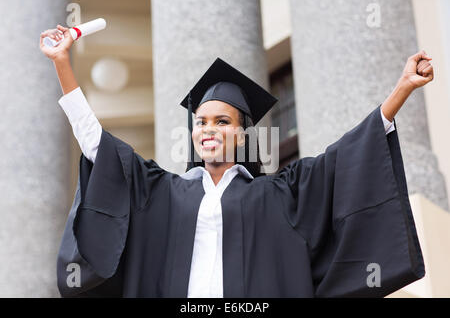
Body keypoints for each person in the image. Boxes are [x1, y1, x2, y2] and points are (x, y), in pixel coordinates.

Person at [40, 24, 433, 297]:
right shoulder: (163, 191)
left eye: (222, 121)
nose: (208, 129)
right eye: (201, 122)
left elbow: (344, 158)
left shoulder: (279, 193)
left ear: (241, 134)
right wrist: (62, 64)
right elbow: (98, 146)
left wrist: (401, 90)